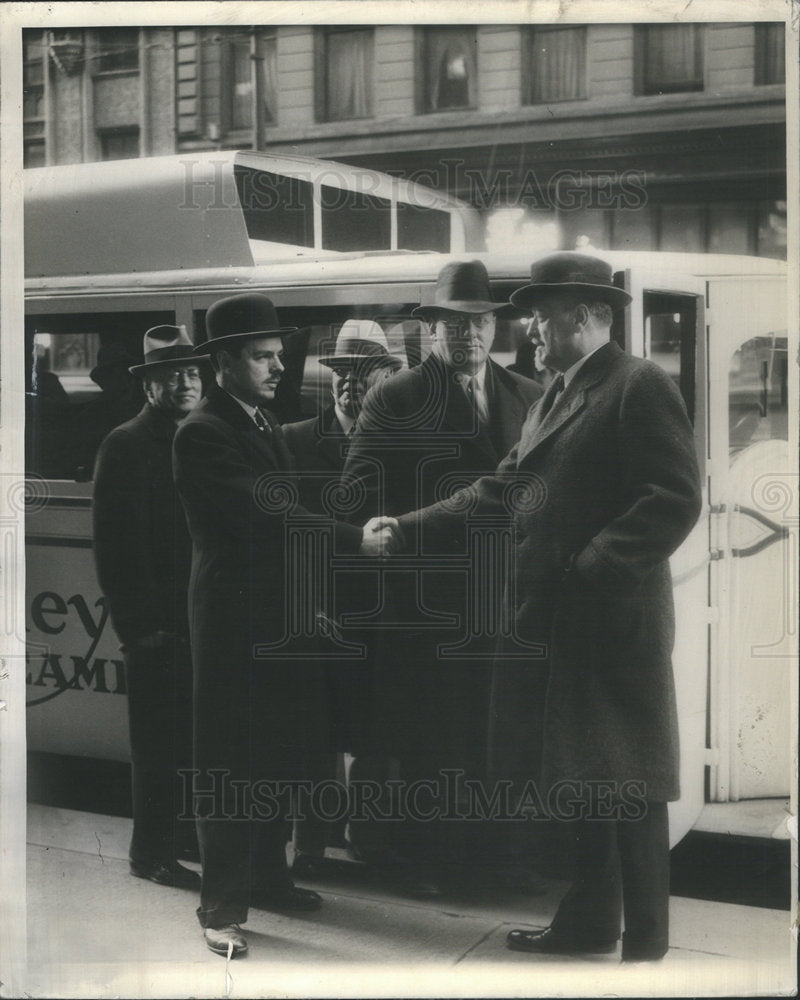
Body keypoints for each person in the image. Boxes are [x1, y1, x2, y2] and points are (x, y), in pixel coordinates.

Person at [389, 252, 702, 961]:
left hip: (610, 620)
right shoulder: (556, 396)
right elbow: (494, 491)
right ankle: (590, 923)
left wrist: (591, 569)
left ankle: (648, 944)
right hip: (568, 623)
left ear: (585, 315)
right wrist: (404, 527)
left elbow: (674, 498)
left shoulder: (638, 383)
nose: (528, 329)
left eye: (540, 315)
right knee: (587, 776)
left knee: (632, 782)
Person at [172, 293, 394, 957]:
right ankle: (219, 910)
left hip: (273, 621)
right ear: (222, 363)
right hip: (233, 626)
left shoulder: (258, 420)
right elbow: (266, 518)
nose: (278, 367)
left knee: (272, 756)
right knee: (229, 765)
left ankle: (267, 880)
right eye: (262, 357)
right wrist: (352, 540)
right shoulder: (204, 432)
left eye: (278, 355)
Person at [342, 260, 542, 894]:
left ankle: (496, 863)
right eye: (454, 323)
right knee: (433, 742)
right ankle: (430, 865)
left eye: (479, 322)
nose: (469, 334)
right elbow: (358, 496)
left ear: (496, 327)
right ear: (431, 329)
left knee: (497, 735)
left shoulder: (529, 394)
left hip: (505, 600)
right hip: (427, 606)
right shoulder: (396, 397)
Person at [281, 320, 403, 875]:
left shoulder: (402, 442)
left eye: (363, 373)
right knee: (315, 733)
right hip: (322, 611)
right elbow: (287, 529)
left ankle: (367, 839)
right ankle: (309, 846)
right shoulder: (293, 440)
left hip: (385, 614)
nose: (350, 385)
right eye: (340, 373)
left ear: (385, 379)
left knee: (378, 731)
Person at [93, 325, 206, 890]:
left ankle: (179, 838)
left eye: (191, 372)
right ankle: (150, 853)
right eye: (171, 375)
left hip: (193, 620)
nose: (185, 383)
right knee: (157, 744)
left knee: (186, 738)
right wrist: (138, 628)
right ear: (148, 385)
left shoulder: (197, 436)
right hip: (157, 627)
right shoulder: (127, 443)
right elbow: (115, 548)